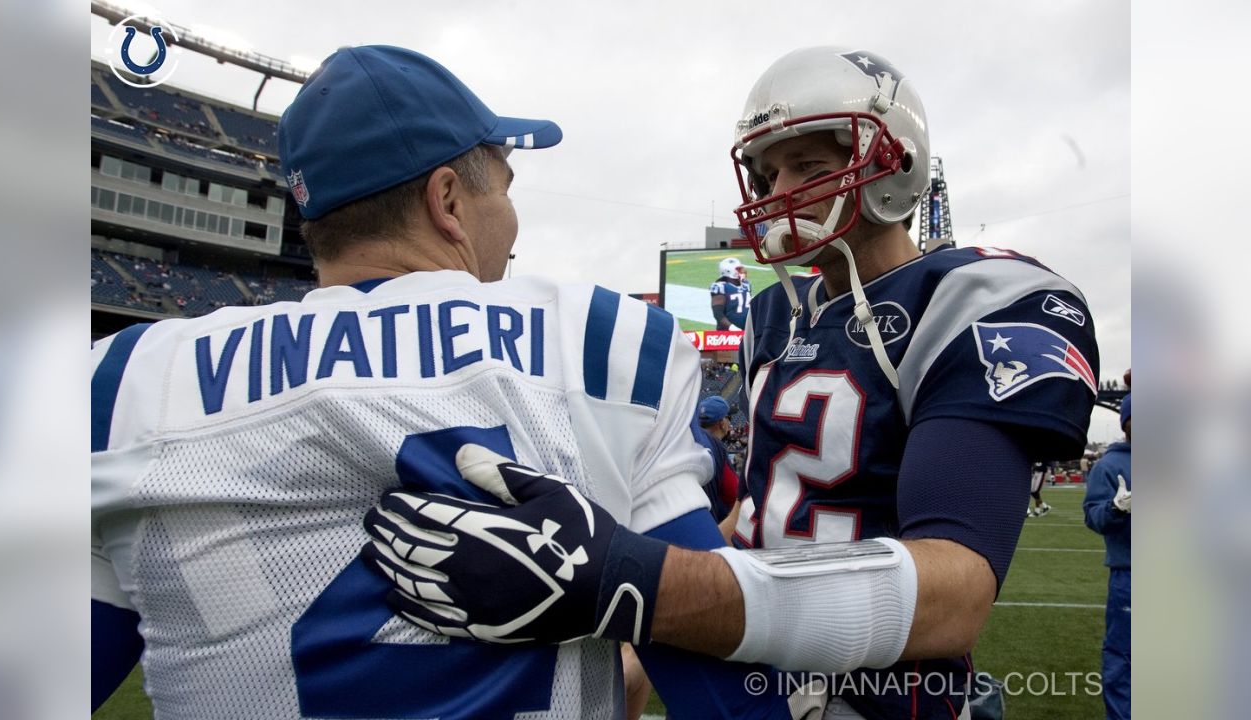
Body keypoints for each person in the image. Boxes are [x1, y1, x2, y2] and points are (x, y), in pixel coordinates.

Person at [364, 46, 1100, 719]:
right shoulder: (776, 315)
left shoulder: (976, 297)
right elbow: (764, 518)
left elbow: (958, 593)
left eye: (810, 166)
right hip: (759, 679)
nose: (780, 191)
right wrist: (643, 630)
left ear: (895, 161)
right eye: (768, 172)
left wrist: (639, 582)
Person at [91, 45, 788, 720]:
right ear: (448, 200)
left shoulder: (130, 383)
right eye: (506, 189)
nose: (512, 225)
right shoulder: (602, 343)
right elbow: (722, 683)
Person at [1083, 393, 1131, 720]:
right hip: (1132, 574)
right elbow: (1094, 518)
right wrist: (1116, 509)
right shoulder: (1109, 465)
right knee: (1124, 657)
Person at [695, 395, 741, 523]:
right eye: (728, 417)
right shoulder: (715, 447)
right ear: (721, 423)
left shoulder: (693, 442)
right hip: (717, 522)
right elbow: (733, 494)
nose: (730, 422)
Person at [711, 257, 752, 330]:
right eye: (738, 269)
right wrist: (732, 328)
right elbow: (718, 313)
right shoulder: (721, 286)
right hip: (727, 333)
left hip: (746, 330)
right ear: (728, 271)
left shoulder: (746, 284)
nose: (742, 271)